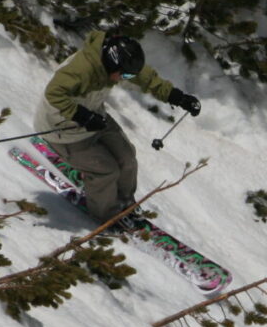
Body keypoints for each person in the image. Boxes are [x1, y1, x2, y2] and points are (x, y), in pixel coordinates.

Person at [34, 33, 201, 226]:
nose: (127, 78)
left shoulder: (116, 64)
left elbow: (144, 78)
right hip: (62, 128)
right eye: (126, 75)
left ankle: (124, 202)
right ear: (113, 65)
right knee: (106, 171)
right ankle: (105, 215)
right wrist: (82, 116)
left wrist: (176, 97)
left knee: (127, 158)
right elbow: (54, 93)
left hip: (94, 115)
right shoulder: (80, 70)